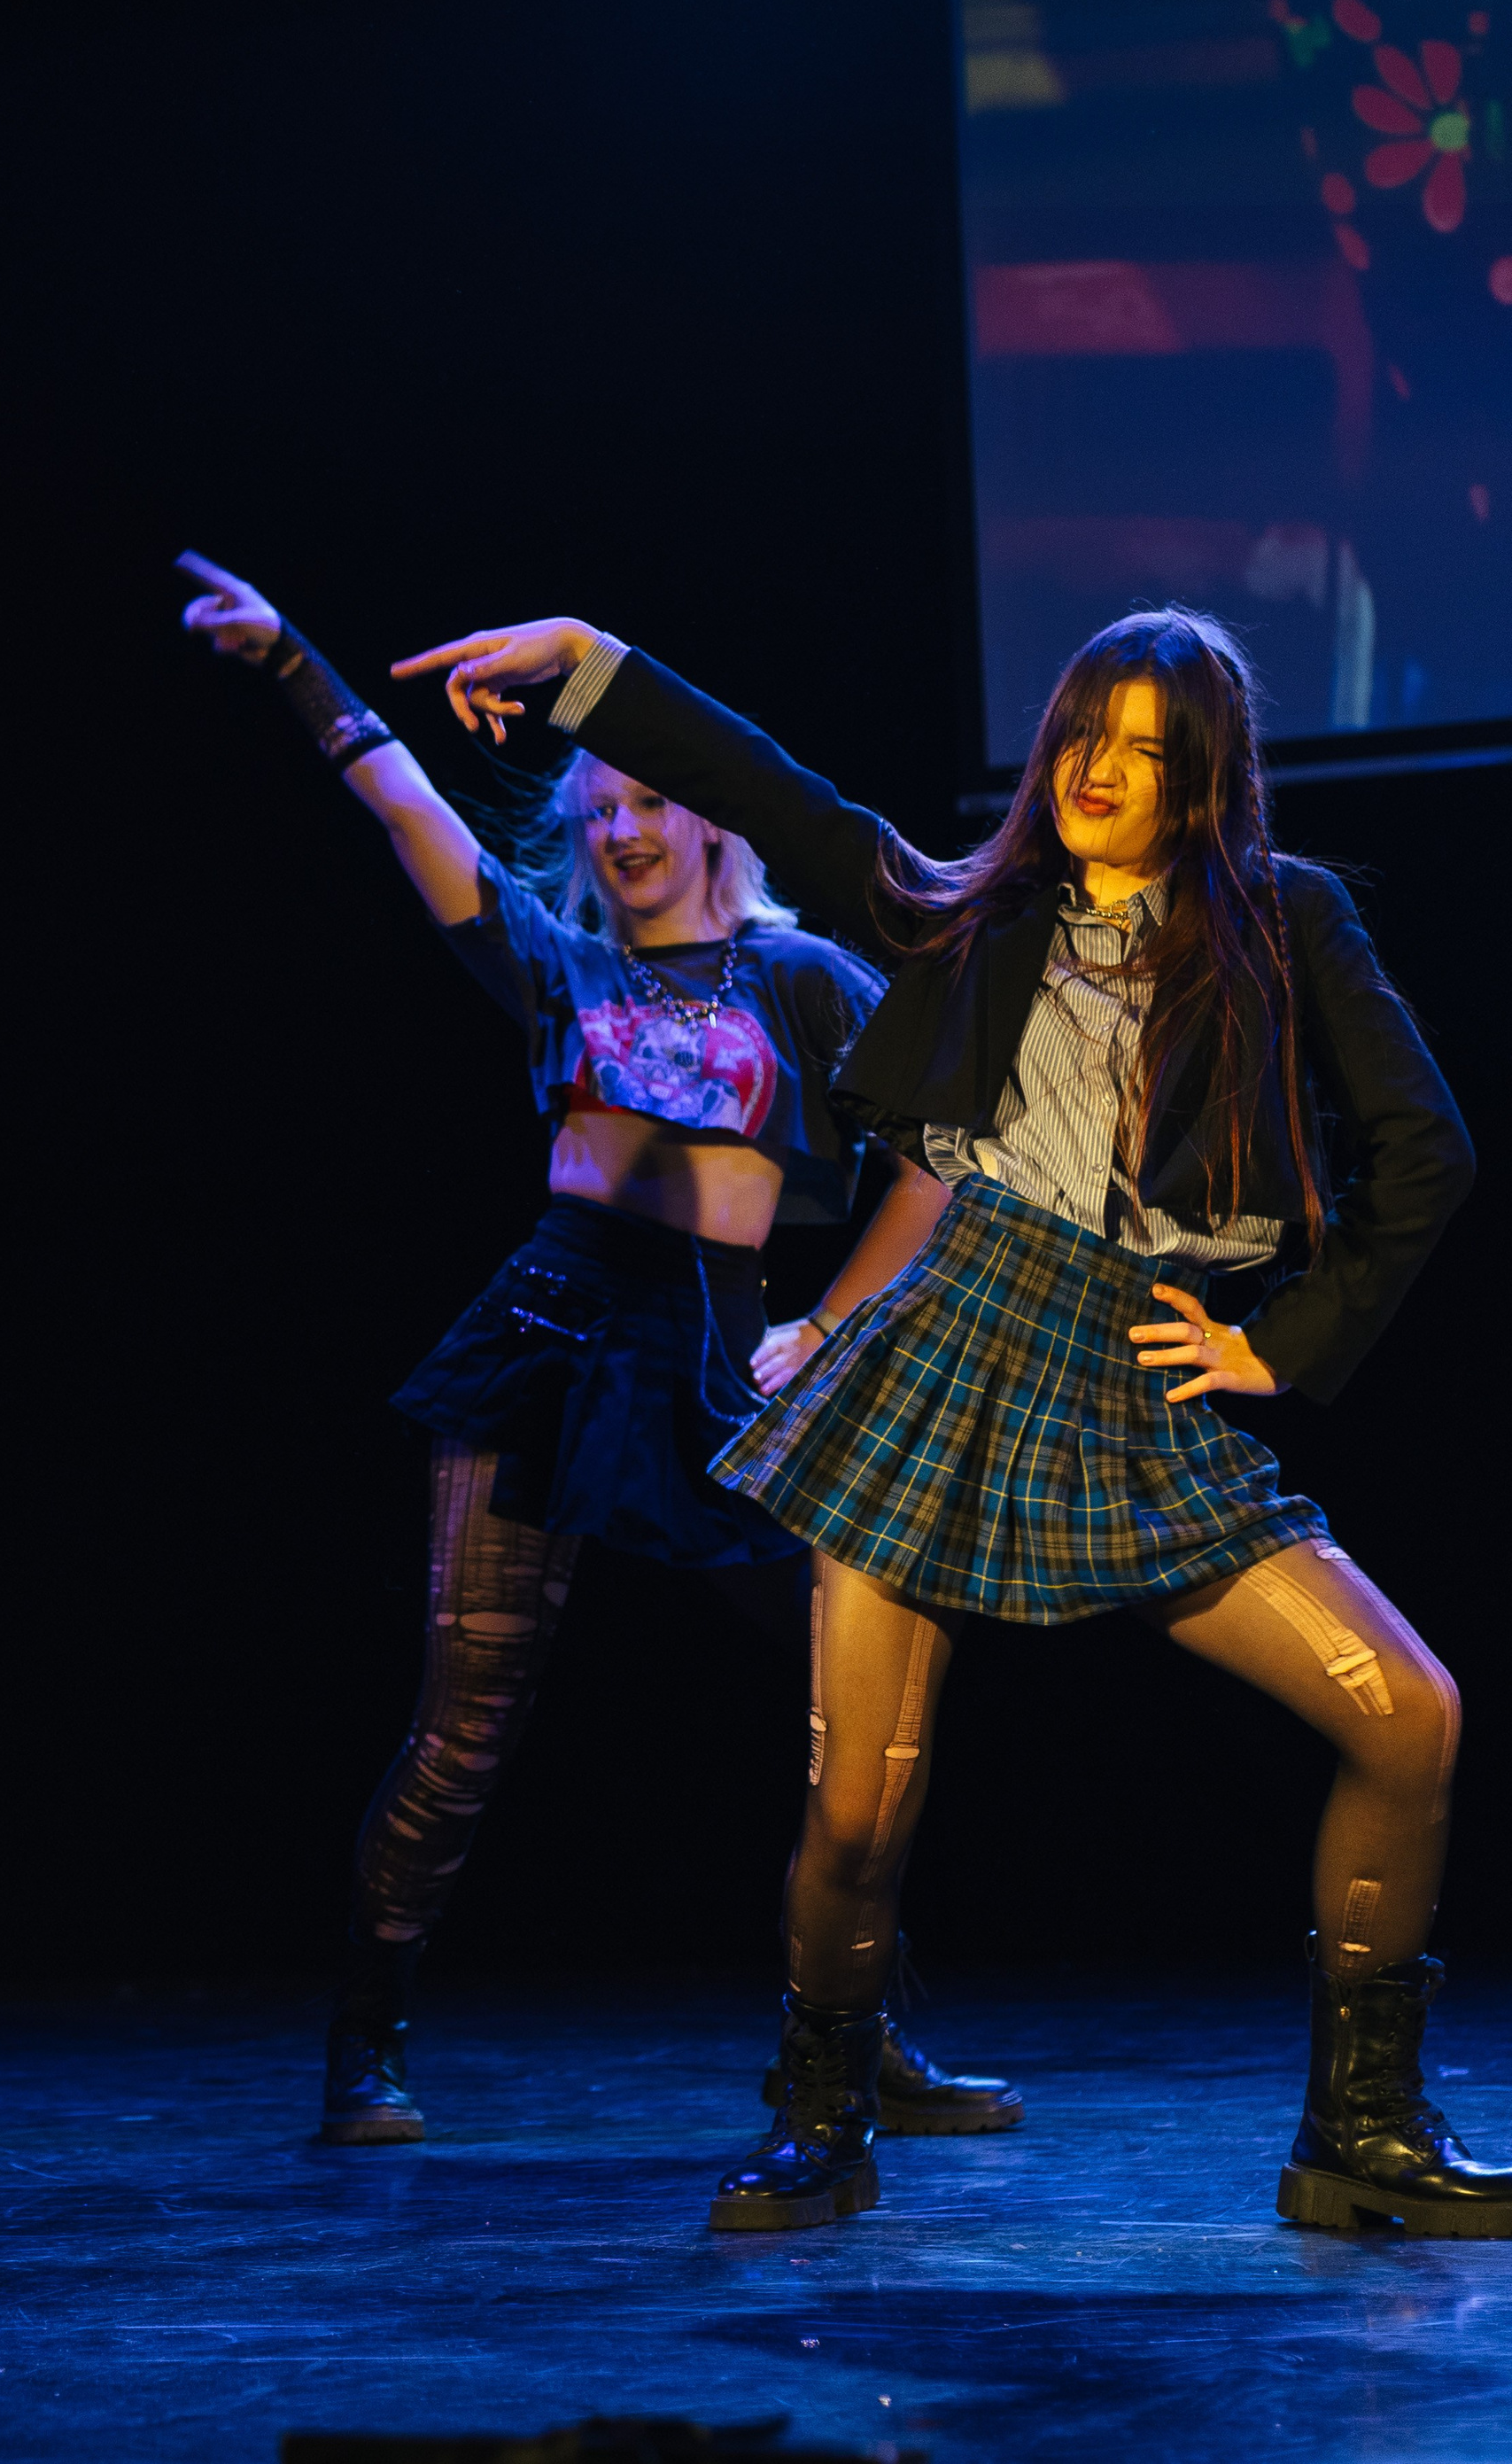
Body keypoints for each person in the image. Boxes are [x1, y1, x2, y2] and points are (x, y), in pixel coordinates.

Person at [388, 602, 1512, 2242]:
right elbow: (780, 794)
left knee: (1409, 1715)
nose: (1101, 771)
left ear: (1204, 781)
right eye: (1085, 735)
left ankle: (1359, 2133)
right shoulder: (973, 911)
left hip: (1132, 1377)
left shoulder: (1285, 921)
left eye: (1146, 751)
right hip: (941, 1360)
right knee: (858, 1807)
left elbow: (1424, 1152)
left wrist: (1278, 1347)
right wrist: (595, 663)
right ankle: (819, 2117)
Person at [176, 553, 1024, 2147]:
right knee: (465, 1718)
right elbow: (406, 810)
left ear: (709, 820)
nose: (624, 829)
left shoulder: (803, 979)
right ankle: (366, 2040)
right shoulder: (557, 965)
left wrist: (829, 1322)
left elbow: (948, 1159)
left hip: (719, 1356)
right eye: (600, 810)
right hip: (549, 1335)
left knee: (861, 1713)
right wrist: (291, 658)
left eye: (650, 800)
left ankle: (856, 2036)